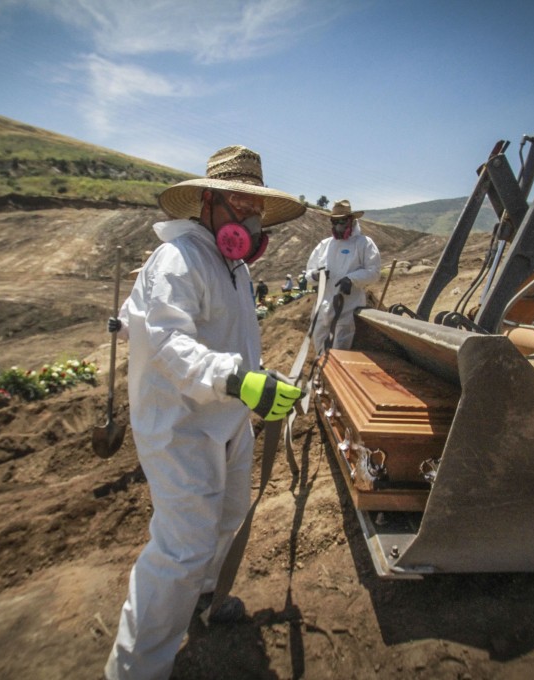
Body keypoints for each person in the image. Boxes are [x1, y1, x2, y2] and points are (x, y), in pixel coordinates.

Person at [104, 145, 305, 680]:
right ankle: (134, 670)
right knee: (181, 549)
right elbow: (168, 342)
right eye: (238, 203)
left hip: (226, 417)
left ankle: (203, 597)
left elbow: (225, 337)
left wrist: (259, 380)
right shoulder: (179, 258)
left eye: (253, 207)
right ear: (208, 202)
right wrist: (238, 380)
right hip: (180, 427)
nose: (248, 218)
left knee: (228, 515)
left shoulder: (230, 263)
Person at [305, 199, 382, 354]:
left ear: (351, 221)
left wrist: (352, 279)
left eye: (342, 221)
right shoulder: (325, 245)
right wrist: (316, 275)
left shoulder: (364, 244)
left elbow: (374, 272)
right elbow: (308, 274)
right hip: (323, 306)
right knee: (320, 348)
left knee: (340, 350)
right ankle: (320, 376)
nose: (338, 225)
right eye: (335, 221)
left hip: (348, 307)